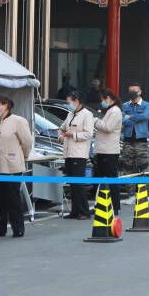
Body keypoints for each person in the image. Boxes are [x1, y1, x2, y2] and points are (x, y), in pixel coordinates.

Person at [0, 95, 32, 238]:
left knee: (13, 198)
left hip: (12, 165)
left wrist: (24, 155)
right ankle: (0, 227)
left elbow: (27, 141)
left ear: (6, 105)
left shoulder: (18, 121)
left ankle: (18, 227)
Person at [60, 90, 94, 219]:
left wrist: (73, 134)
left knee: (79, 184)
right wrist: (61, 135)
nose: (68, 105)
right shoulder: (70, 114)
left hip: (79, 153)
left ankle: (84, 211)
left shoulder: (87, 114)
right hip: (68, 152)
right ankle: (75, 211)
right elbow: (63, 127)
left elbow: (88, 134)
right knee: (72, 184)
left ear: (77, 101)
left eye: (69, 102)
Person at [92, 89, 123, 215]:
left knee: (111, 179)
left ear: (109, 98)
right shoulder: (110, 110)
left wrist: (95, 121)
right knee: (101, 179)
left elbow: (108, 127)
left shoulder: (115, 111)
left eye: (103, 100)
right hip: (103, 150)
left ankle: (115, 206)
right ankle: (101, 205)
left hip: (109, 151)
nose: (102, 102)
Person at [120, 83, 149, 192]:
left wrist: (130, 117)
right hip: (128, 141)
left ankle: (146, 195)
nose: (132, 93)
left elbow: (145, 116)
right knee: (127, 168)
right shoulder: (125, 105)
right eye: (131, 91)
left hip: (141, 141)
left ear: (140, 92)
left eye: (135, 91)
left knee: (144, 169)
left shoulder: (146, 105)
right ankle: (130, 194)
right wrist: (135, 118)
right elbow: (123, 120)